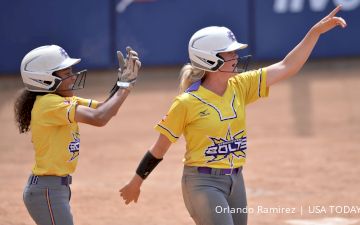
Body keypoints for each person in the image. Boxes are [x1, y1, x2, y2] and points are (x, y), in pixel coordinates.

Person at [119, 5, 347, 225]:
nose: (236, 57)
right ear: (210, 59)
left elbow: (288, 66)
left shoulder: (239, 86)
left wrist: (314, 32)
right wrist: (136, 182)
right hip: (202, 183)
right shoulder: (186, 103)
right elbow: (159, 148)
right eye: (230, 53)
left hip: (236, 180)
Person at [15, 44, 140, 225]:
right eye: (66, 74)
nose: (73, 77)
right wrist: (125, 87)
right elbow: (100, 118)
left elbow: (105, 109)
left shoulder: (62, 100)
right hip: (47, 190)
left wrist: (122, 83)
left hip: (54, 189)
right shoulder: (48, 104)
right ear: (44, 80)